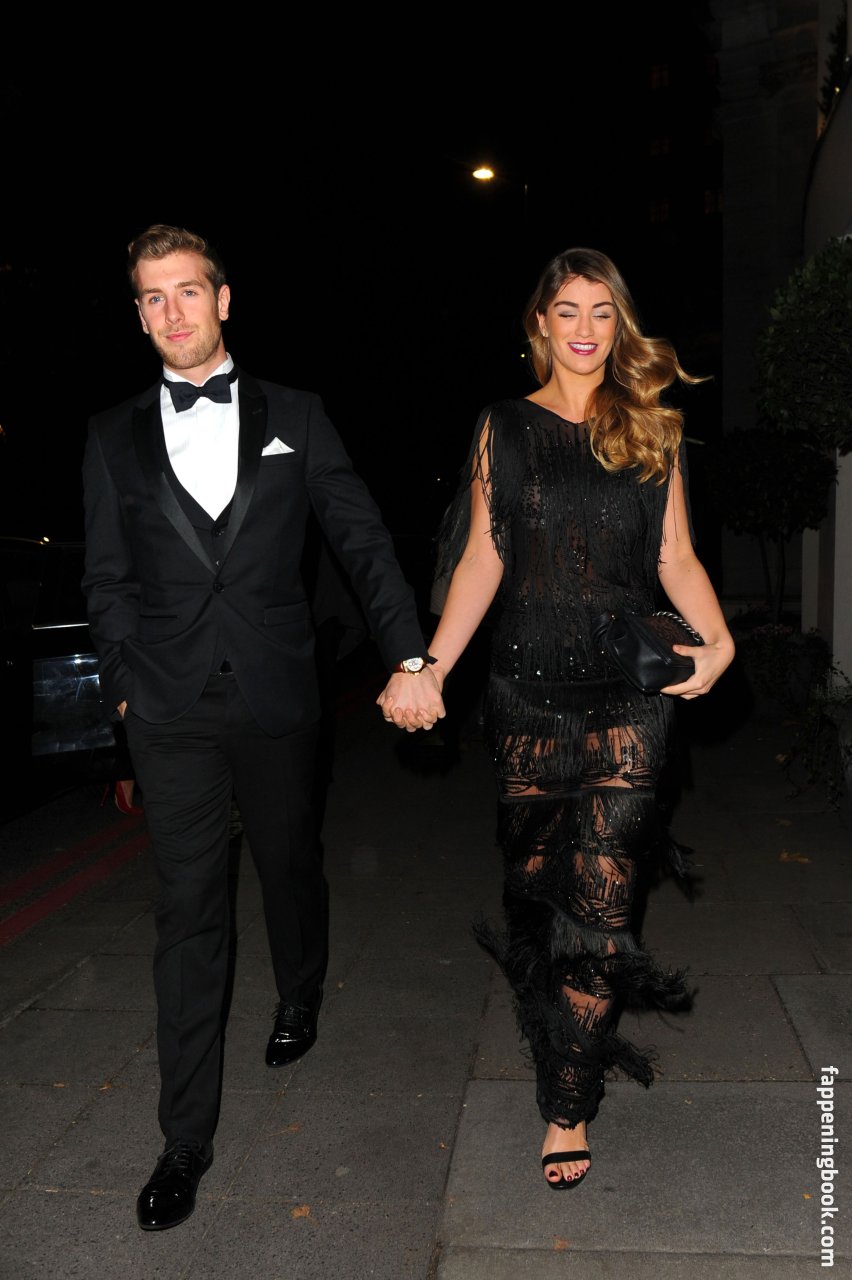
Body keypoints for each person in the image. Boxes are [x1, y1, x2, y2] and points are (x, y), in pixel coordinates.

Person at [82, 224, 444, 1231]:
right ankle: (184, 1140)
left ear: (224, 299)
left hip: (279, 696)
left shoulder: (297, 414)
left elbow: (361, 539)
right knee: (188, 912)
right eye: (152, 297)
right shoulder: (110, 434)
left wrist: (410, 654)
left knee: (288, 864)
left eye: (187, 291)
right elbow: (106, 581)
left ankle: (300, 990)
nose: (172, 311)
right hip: (168, 712)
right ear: (138, 313)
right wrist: (124, 692)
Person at [378, 248, 735, 1190]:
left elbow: (677, 557)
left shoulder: (653, 425)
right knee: (539, 898)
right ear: (539, 322)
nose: (584, 329)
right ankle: (559, 1041)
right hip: (528, 696)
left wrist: (720, 639)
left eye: (602, 312)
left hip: (629, 701)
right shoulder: (503, 426)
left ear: (621, 326)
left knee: (603, 905)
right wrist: (431, 664)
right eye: (567, 310)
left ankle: (567, 1102)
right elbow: (483, 557)